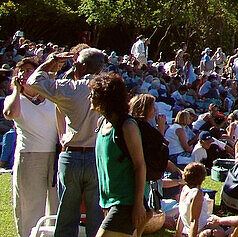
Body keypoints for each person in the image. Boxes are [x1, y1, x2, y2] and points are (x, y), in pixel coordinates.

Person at [25, 48, 108, 237]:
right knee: (96, 214)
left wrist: (49, 62)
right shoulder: (107, 88)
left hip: (72, 155)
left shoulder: (70, 88)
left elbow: (33, 82)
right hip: (97, 155)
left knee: (67, 214)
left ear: (82, 65)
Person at [4, 57, 59, 237]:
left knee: (54, 203)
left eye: (30, 70)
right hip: (29, 155)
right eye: (23, 70)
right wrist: (16, 90)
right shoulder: (15, 100)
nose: (26, 74)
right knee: (29, 205)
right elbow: (11, 113)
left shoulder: (51, 97)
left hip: (54, 155)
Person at [90, 72, 148, 237]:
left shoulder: (127, 126)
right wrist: (104, 201)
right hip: (109, 201)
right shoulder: (101, 124)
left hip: (126, 202)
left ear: (106, 98)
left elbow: (140, 165)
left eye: (94, 94)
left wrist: (138, 204)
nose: (90, 98)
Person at [177, 162, 214, 237]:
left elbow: (181, 215)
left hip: (191, 230)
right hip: (202, 229)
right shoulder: (197, 193)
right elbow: (194, 220)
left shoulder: (184, 189)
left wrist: (178, 233)